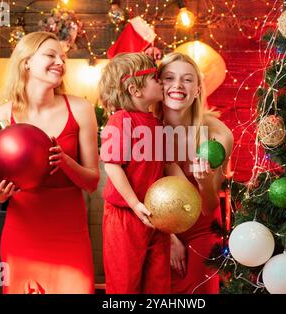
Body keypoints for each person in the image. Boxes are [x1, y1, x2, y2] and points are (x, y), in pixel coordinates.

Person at [0, 32, 99, 294]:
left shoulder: (81, 110)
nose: (60, 62)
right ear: (26, 62)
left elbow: (92, 182)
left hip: (69, 233)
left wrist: (66, 162)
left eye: (63, 58)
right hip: (21, 232)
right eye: (50, 55)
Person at [156, 52, 233, 294]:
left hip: (201, 230)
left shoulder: (218, 136)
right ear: (158, 85)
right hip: (155, 229)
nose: (178, 85)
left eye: (187, 80)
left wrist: (205, 182)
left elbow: (210, 208)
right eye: (169, 78)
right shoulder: (143, 128)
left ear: (198, 89)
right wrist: (169, 238)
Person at [98, 52, 174, 293]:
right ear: (135, 89)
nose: (161, 81)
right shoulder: (120, 120)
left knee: (158, 283)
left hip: (155, 216)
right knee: (124, 285)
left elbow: (165, 168)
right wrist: (133, 203)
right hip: (125, 217)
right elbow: (112, 165)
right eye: (155, 77)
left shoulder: (158, 124)